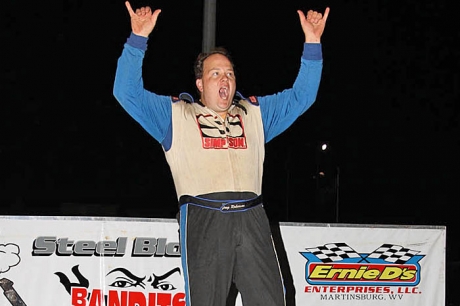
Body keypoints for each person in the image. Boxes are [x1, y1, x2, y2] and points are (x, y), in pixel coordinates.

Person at [113, 1, 329, 305]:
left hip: (252, 217)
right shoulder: (175, 115)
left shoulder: (254, 113)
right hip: (204, 217)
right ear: (200, 84)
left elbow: (302, 96)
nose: (224, 79)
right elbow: (126, 92)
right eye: (215, 74)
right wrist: (137, 40)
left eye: (229, 73)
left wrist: (313, 43)